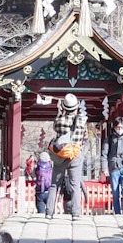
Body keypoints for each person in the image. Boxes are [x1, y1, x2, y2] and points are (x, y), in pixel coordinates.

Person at [50, 91, 87, 220]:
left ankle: (49, 212)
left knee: (54, 184)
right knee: (75, 185)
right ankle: (76, 213)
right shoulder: (82, 120)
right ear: (76, 107)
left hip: (61, 154)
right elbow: (85, 137)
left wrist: (60, 113)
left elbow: (55, 129)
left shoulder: (59, 120)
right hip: (75, 154)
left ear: (64, 107)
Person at [34, 145, 53, 217]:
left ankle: (41, 218)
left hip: (40, 192)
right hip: (50, 191)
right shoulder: (51, 166)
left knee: (41, 212)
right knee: (50, 211)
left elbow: (33, 175)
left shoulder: (37, 166)